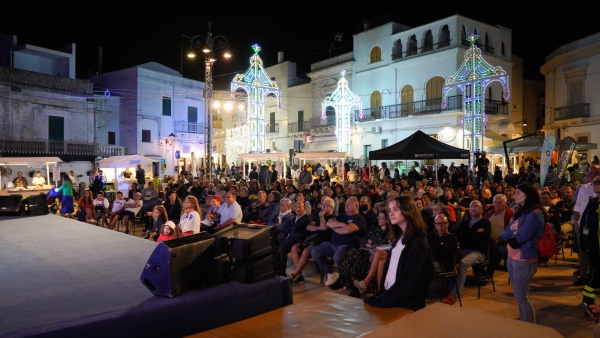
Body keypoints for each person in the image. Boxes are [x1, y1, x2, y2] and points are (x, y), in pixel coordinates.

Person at [362, 196, 434, 310]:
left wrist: (383, 301)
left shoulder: (418, 242)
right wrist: (381, 294)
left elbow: (410, 280)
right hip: (391, 296)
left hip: (405, 303)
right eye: (389, 210)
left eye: (396, 209)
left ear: (408, 211)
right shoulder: (399, 237)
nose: (390, 213)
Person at [502, 184, 545, 323]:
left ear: (528, 195)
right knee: (518, 295)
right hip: (512, 256)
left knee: (522, 296)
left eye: (518, 192)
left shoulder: (535, 213)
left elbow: (521, 237)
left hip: (525, 259)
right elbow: (505, 233)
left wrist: (514, 235)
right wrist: (513, 235)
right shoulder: (521, 212)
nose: (515, 195)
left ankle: (530, 329)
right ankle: (524, 325)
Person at [443, 200, 491, 305]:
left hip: (478, 252)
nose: (473, 208)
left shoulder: (485, 223)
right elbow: (458, 236)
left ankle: (455, 294)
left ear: (482, 209)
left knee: (463, 263)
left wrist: (465, 233)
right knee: (447, 256)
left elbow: (482, 237)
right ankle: (450, 286)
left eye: (476, 206)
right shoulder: (465, 223)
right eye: (471, 206)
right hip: (463, 249)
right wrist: (473, 233)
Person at [313, 196, 367, 287]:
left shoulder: (360, 219)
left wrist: (335, 228)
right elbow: (329, 223)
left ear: (356, 205)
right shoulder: (342, 216)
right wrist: (342, 224)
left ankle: (351, 278)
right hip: (333, 244)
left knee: (337, 257)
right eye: (345, 204)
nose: (346, 206)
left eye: (348, 204)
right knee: (315, 251)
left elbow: (347, 230)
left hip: (348, 246)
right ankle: (330, 273)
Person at [340, 209, 390, 297]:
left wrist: (371, 243)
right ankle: (353, 284)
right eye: (379, 217)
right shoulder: (374, 228)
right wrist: (370, 246)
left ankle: (345, 280)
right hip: (368, 251)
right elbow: (363, 240)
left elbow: (383, 245)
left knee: (363, 257)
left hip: (379, 253)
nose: (379, 219)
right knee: (352, 252)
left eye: (382, 218)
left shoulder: (390, 232)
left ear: (387, 219)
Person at [581, 175, 600, 310]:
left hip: (598, 246)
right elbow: (584, 221)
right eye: (594, 182)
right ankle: (589, 302)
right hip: (592, 245)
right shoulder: (593, 201)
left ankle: (588, 300)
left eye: (598, 182)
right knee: (595, 271)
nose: (594, 184)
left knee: (595, 273)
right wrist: (583, 242)